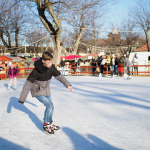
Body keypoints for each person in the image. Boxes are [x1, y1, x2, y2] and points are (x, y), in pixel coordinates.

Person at [18, 51, 73, 134]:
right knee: (49, 106)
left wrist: (68, 85)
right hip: (37, 90)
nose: (50, 64)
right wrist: (22, 98)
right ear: (43, 61)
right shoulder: (36, 71)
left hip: (47, 90)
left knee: (52, 107)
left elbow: (60, 77)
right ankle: (46, 124)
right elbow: (27, 84)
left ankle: (50, 123)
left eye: (51, 62)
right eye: (48, 62)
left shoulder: (51, 68)